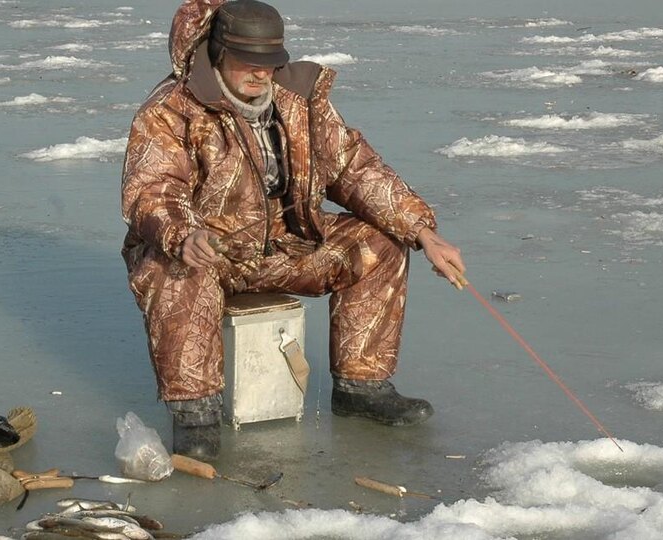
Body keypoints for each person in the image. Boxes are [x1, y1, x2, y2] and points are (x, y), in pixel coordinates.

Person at [121, 0, 466, 461]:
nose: (262, 74)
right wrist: (185, 233)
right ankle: (195, 414)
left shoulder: (298, 100)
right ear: (219, 51)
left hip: (284, 246)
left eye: (271, 63)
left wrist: (422, 231)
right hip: (208, 249)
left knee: (380, 243)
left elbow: (352, 167)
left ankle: (361, 386)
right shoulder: (171, 109)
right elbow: (153, 189)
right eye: (250, 62)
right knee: (176, 269)